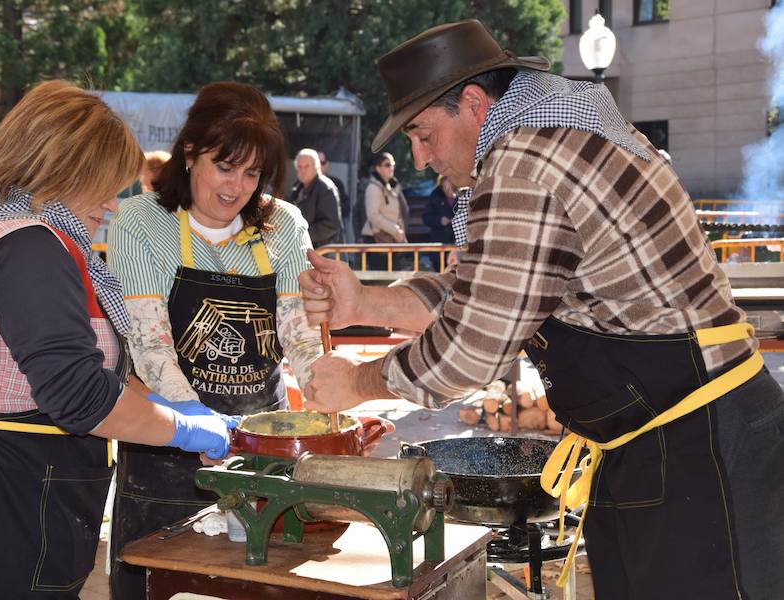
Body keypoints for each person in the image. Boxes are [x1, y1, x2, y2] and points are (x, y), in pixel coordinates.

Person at [299, 20, 783, 600]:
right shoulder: (545, 134)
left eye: (423, 134)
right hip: (650, 444)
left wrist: (356, 383)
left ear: (474, 105)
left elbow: (471, 348)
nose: (420, 159)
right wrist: (365, 302)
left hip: (701, 447)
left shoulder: (526, 158)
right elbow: (492, 291)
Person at [0, 80, 235, 600]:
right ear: (66, 169)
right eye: (105, 185)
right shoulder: (29, 247)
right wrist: (184, 428)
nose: (113, 204)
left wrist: (159, 403)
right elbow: (81, 399)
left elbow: (75, 372)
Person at [107, 81, 323, 599]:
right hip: (167, 450)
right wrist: (199, 429)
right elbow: (151, 348)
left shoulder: (282, 224)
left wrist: (331, 407)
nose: (237, 187)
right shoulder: (141, 221)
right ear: (189, 153)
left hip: (260, 445)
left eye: (252, 173)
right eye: (224, 167)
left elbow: (297, 332)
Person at [361, 152, 410, 269]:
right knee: (381, 281)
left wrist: (400, 234)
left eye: (393, 164)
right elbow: (373, 215)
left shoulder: (391, 187)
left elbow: (397, 214)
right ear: (378, 168)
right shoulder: (373, 188)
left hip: (389, 240)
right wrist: (395, 230)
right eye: (387, 164)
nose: (391, 167)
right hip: (377, 240)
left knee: (392, 280)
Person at [288, 147, 342, 247]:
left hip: (323, 251)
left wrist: (300, 234)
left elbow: (330, 225)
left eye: (306, 166)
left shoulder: (325, 188)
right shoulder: (297, 187)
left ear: (316, 166)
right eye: (299, 167)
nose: (302, 170)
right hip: (305, 248)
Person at [318, 150, 351, 235]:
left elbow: (346, 207)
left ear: (327, 165)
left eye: (322, 163)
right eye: (316, 162)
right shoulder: (300, 186)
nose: (319, 166)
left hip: (331, 236)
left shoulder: (336, 183)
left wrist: (332, 210)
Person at [422, 175, 456, 245]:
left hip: (458, 239)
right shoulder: (435, 195)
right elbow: (426, 217)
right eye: (444, 187)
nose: (447, 191)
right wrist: (439, 220)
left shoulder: (463, 195)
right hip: (439, 239)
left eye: (450, 188)